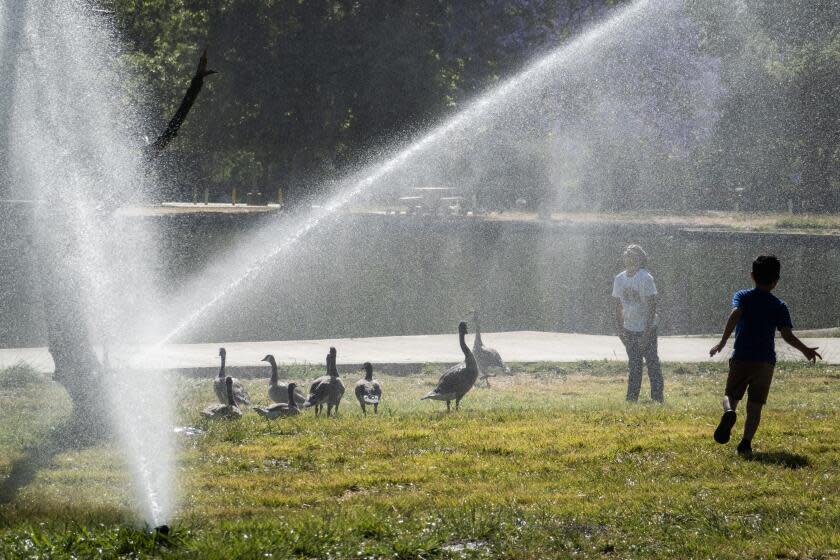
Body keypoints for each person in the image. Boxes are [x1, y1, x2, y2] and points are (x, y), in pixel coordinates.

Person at [709, 255, 821, 456]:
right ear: (776, 281)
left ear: (752, 275)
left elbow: (735, 315)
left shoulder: (743, 296)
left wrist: (722, 342)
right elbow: (787, 335)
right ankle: (745, 444)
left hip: (742, 356)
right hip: (765, 363)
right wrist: (805, 350)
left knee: (730, 395)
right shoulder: (779, 305)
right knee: (755, 405)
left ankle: (729, 412)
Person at [612, 244, 663, 402]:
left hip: (647, 328)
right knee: (634, 366)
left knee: (652, 364)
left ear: (639, 259)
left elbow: (651, 307)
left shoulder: (645, 278)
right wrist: (620, 331)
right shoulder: (619, 279)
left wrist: (646, 334)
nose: (628, 256)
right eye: (626, 253)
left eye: (632, 254)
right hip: (630, 329)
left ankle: (657, 399)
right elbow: (618, 306)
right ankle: (631, 399)